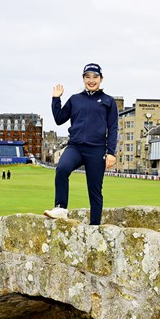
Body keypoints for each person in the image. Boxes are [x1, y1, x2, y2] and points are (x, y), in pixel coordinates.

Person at [44, 63, 118, 225]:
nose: (91, 80)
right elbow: (59, 119)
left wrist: (111, 152)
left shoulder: (108, 101)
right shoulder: (75, 99)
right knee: (62, 169)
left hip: (97, 150)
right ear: (83, 79)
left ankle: (95, 227)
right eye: (87, 77)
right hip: (75, 147)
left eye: (95, 77)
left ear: (101, 79)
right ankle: (61, 208)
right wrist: (56, 98)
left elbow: (113, 128)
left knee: (95, 191)